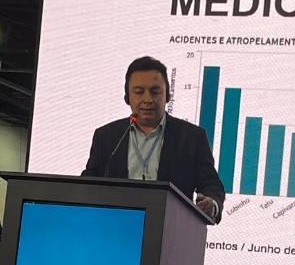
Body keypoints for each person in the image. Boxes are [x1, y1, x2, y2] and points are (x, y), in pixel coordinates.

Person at [82, 56, 225, 222]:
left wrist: (212, 204)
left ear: (167, 95)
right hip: (115, 226)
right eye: (139, 92)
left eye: (155, 92)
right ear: (127, 98)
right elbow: (88, 183)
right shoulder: (106, 137)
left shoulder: (192, 138)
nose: (147, 99)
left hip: (170, 228)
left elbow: (211, 184)